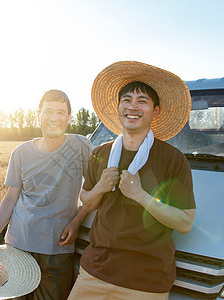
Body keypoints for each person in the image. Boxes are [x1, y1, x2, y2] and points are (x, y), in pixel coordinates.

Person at [68, 61, 196, 300]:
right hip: (94, 272)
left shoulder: (172, 159)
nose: (132, 107)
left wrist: (141, 196)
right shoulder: (100, 154)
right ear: (118, 107)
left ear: (155, 111)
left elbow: (185, 223)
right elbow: (86, 200)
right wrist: (100, 188)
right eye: (127, 100)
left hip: (146, 282)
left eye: (142, 101)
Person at [0, 89, 92, 300]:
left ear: (69, 117)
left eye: (61, 113)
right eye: (48, 111)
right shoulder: (21, 153)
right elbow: (10, 199)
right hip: (19, 246)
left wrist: (77, 220)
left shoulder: (81, 146)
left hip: (57, 250)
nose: (54, 118)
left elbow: (92, 189)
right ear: (39, 115)